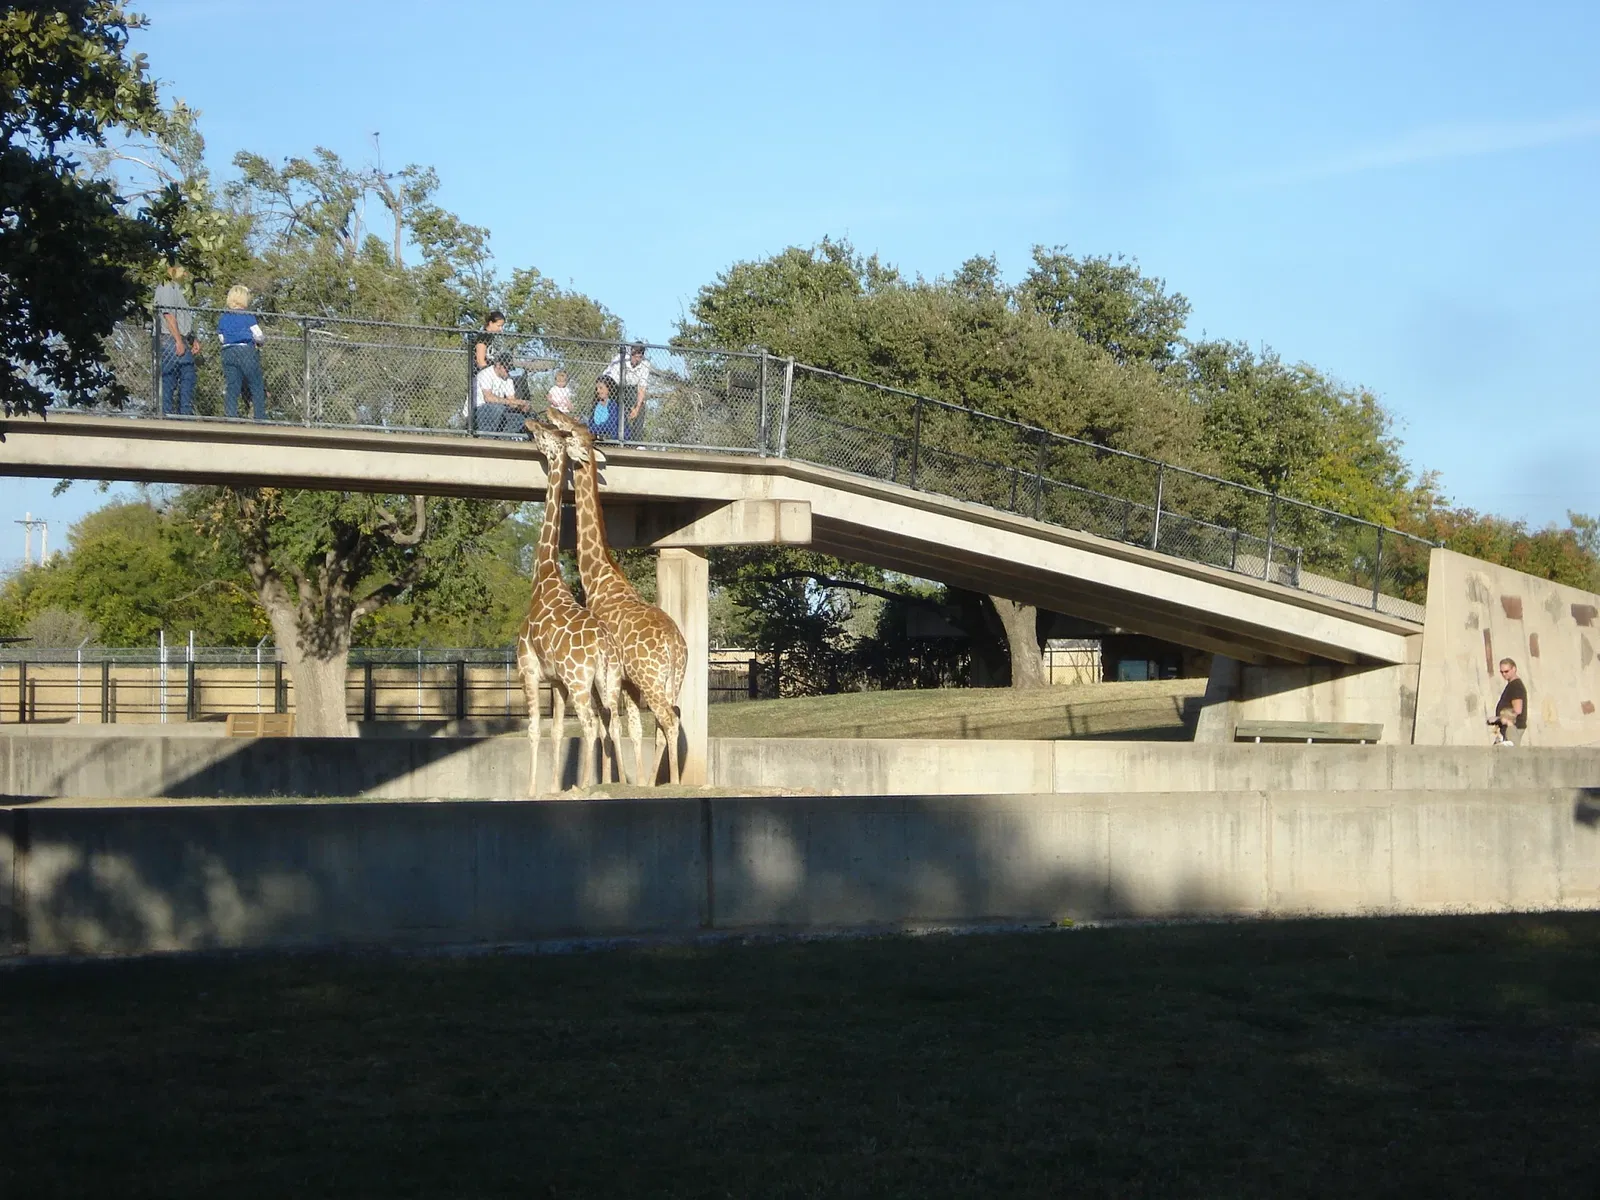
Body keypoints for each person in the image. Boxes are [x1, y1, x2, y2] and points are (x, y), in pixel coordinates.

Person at [153, 262, 198, 415]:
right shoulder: (166, 287)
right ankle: (171, 414)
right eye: (183, 271)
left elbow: (182, 316)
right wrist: (178, 340)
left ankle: (181, 413)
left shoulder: (176, 289)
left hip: (178, 338)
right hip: (169, 339)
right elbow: (168, 315)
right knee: (178, 376)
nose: (185, 275)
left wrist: (192, 338)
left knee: (183, 377)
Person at [216, 285, 267, 420]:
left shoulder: (224, 317)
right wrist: (260, 343)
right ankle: (260, 417)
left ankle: (231, 416)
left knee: (232, 386)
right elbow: (258, 335)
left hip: (228, 351)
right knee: (256, 385)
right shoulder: (247, 316)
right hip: (246, 351)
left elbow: (221, 337)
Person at [592, 342, 649, 440]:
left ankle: (636, 441)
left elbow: (642, 388)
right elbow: (611, 382)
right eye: (634, 356)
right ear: (630, 353)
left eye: (639, 357)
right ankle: (601, 433)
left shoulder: (645, 364)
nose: (636, 359)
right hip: (612, 385)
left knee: (641, 407)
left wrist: (636, 408)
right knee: (612, 406)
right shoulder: (620, 358)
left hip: (630, 388)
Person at [472, 354, 531, 433]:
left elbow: (511, 400)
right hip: (478, 409)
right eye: (506, 368)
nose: (508, 371)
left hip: (497, 410)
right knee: (498, 408)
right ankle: (486, 437)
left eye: (510, 368)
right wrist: (512, 402)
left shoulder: (508, 379)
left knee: (519, 419)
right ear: (498, 365)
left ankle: (503, 438)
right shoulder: (486, 374)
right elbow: (488, 398)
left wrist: (521, 405)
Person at [1488, 657, 1528, 745]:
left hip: (1512, 728)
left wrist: (1498, 719)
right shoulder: (1512, 685)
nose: (1504, 674)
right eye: (1501, 672)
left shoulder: (1516, 686)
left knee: (1509, 754)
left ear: (1514, 669)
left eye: (1506, 671)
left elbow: (1517, 710)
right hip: (1507, 727)